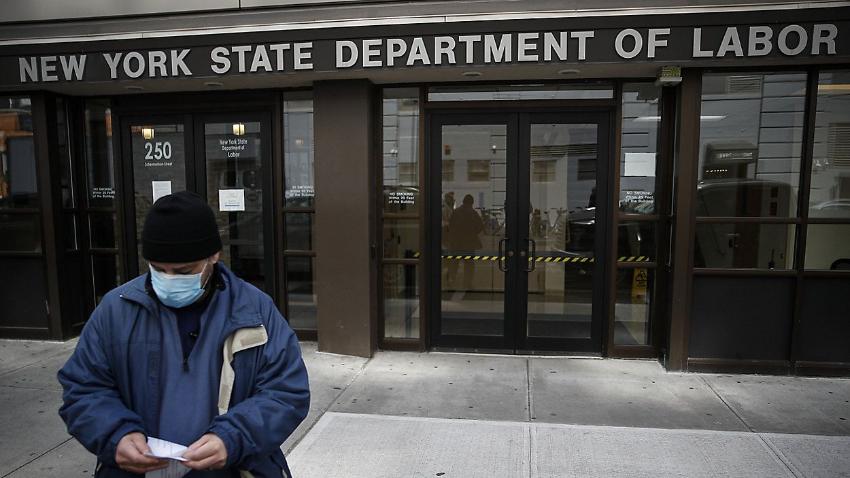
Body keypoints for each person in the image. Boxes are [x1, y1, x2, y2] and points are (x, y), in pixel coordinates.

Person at [58, 191, 310, 478]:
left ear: (214, 256)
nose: (168, 280)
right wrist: (115, 434)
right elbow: (83, 388)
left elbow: (286, 392)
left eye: (183, 271)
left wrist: (232, 438)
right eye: (157, 269)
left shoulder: (255, 310)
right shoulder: (115, 310)